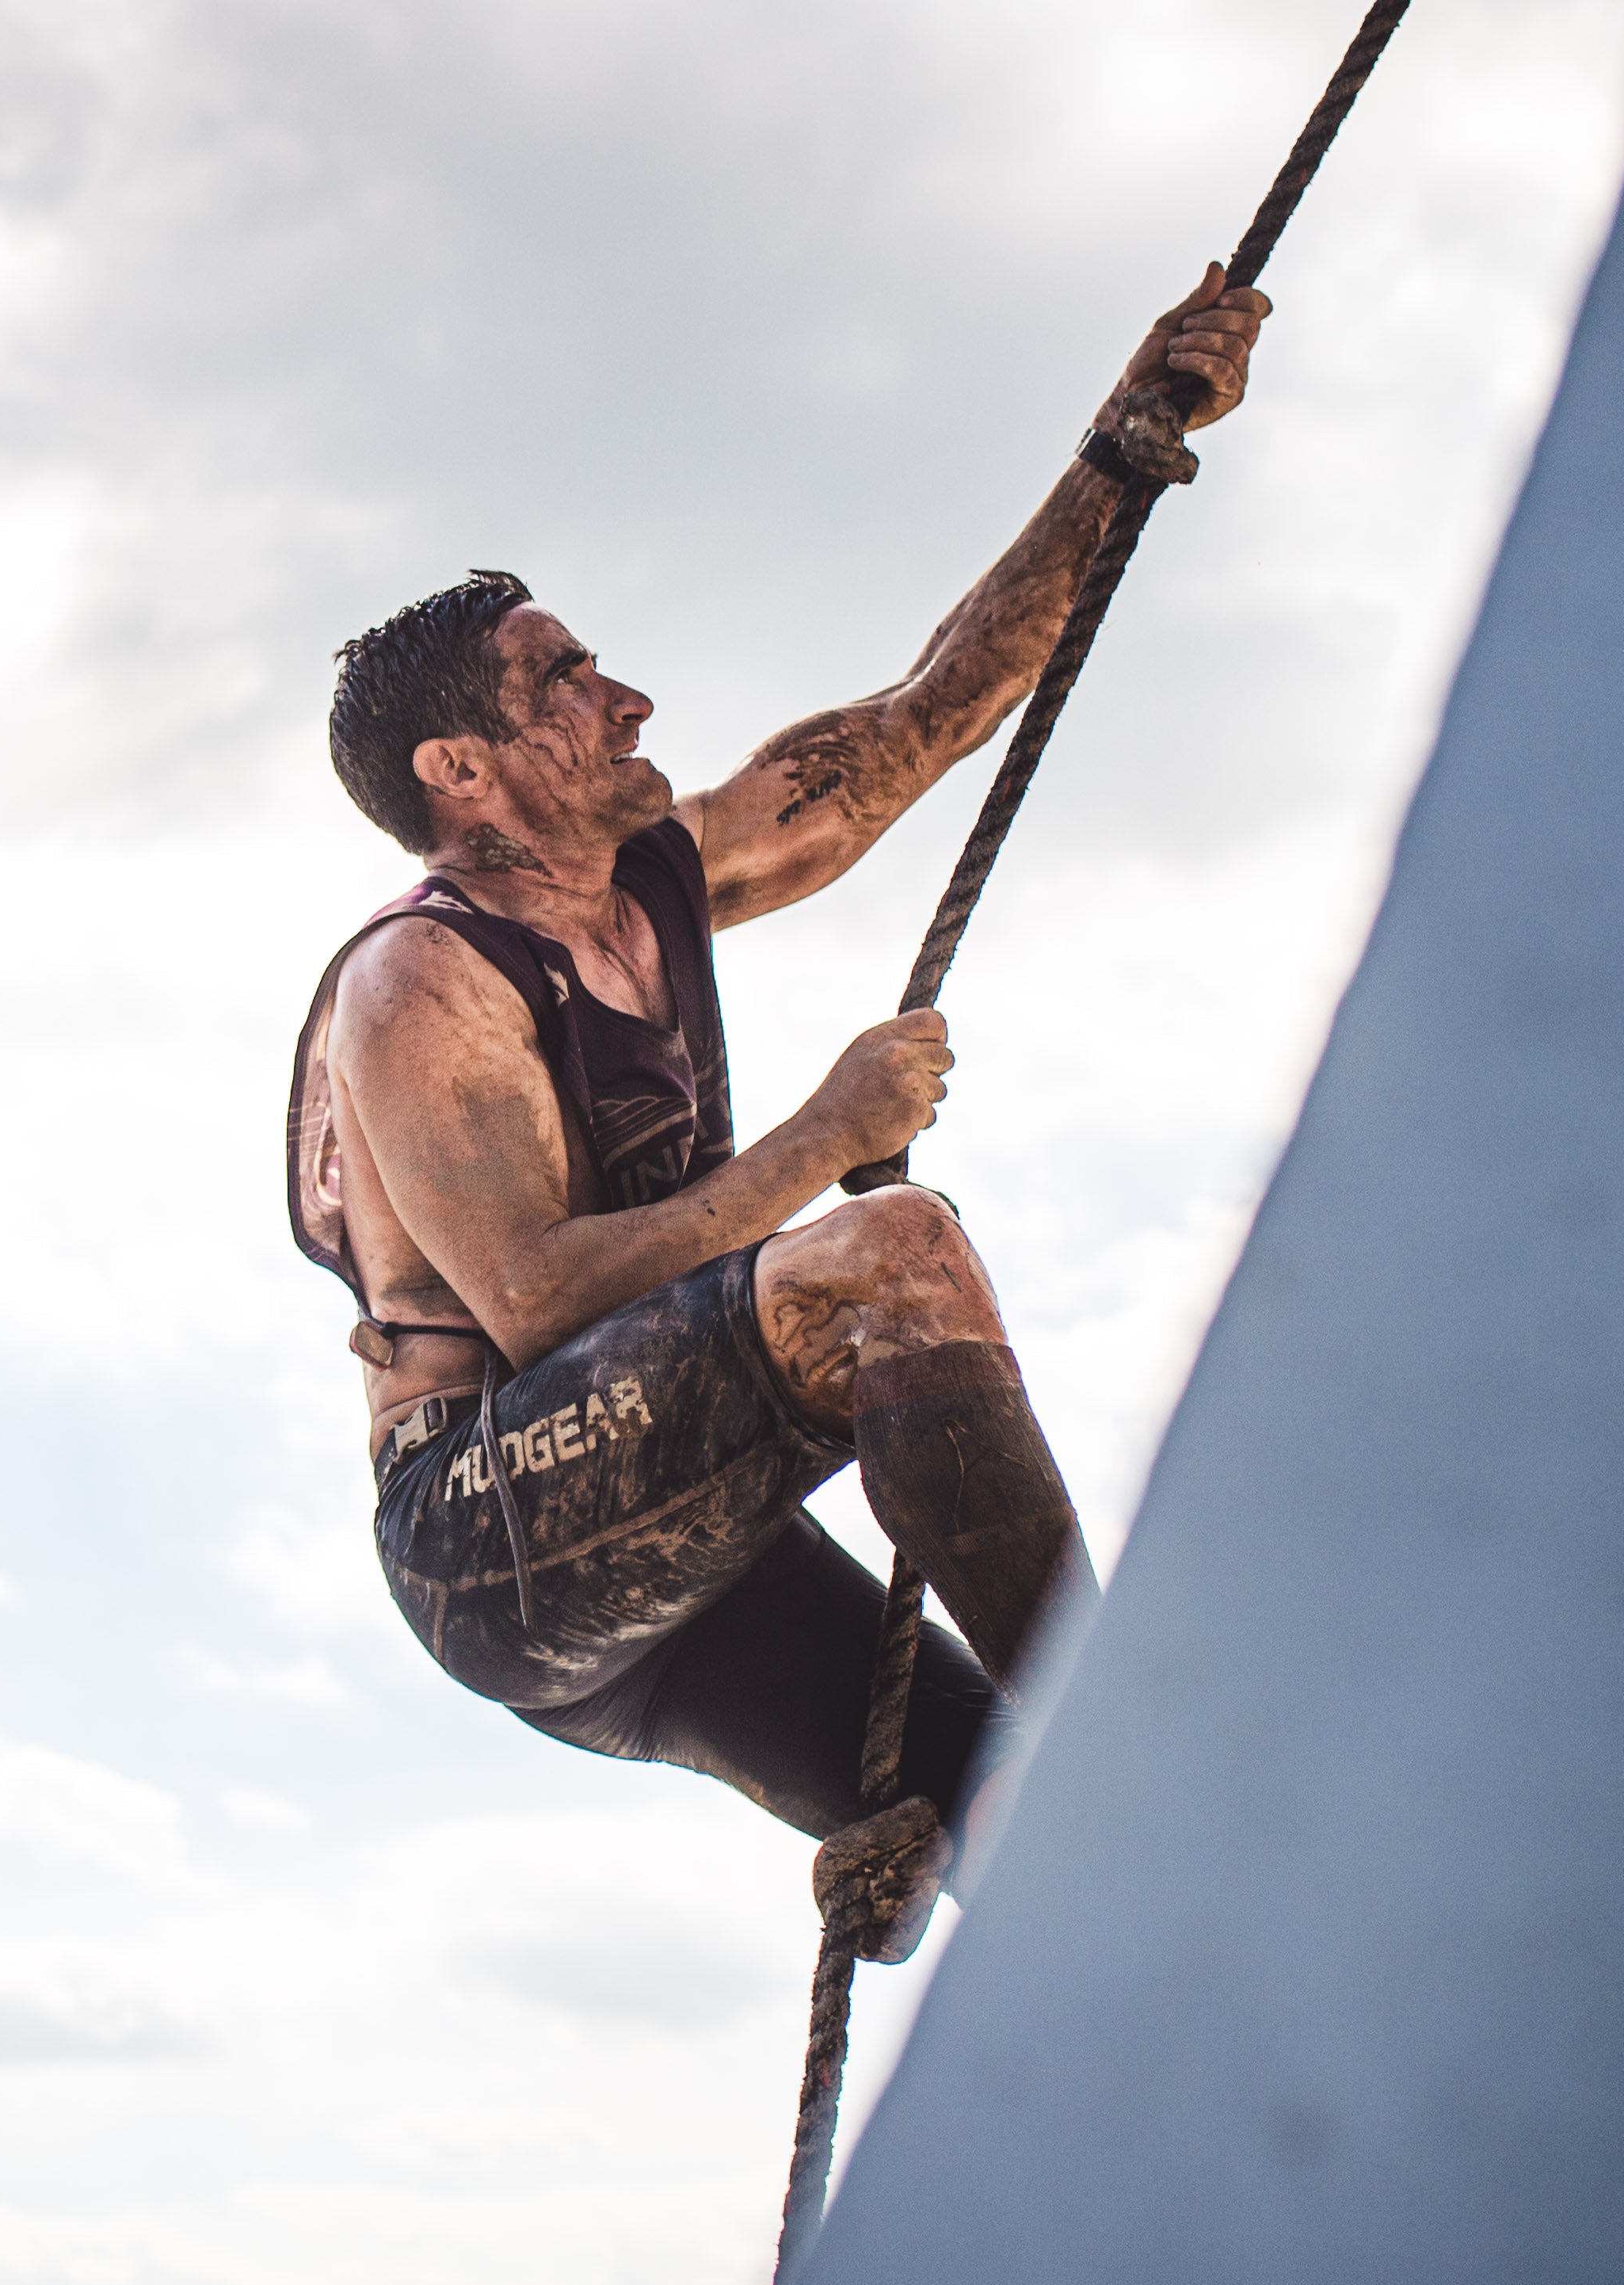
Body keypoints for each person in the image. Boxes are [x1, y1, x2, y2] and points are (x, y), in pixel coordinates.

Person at [286, 269, 1270, 1848]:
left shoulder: (661, 876)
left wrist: (1117, 447)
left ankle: (1109, 1891)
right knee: (890, 1253)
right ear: (461, 772)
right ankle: (1117, 1728)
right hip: (494, 1537)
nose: (630, 700)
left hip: (692, 1546)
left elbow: (930, 714)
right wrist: (827, 1135)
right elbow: (534, 1305)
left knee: (1022, 1829)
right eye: (567, 683)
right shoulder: (419, 986)